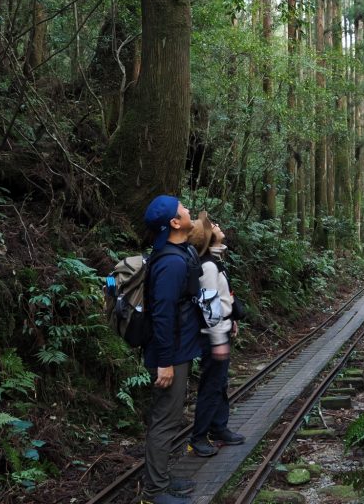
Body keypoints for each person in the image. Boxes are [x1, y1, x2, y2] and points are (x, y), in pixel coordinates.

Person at [140, 195, 206, 504]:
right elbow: (163, 314)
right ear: (174, 223)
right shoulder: (170, 262)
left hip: (178, 351)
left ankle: (162, 480)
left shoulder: (177, 254)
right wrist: (165, 362)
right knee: (165, 419)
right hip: (170, 354)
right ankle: (155, 491)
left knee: (169, 416)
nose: (189, 209)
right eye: (183, 209)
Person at [187, 214, 245, 456]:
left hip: (220, 330)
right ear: (208, 237)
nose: (219, 226)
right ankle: (199, 437)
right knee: (212, 384)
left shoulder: (214, 260)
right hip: (213, 335)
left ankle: (219, 427)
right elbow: (209, 306)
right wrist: (219, 338)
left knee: (220, 382)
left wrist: (231, 320)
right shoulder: (209, 266)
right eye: (214, 227)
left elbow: (222, 299)